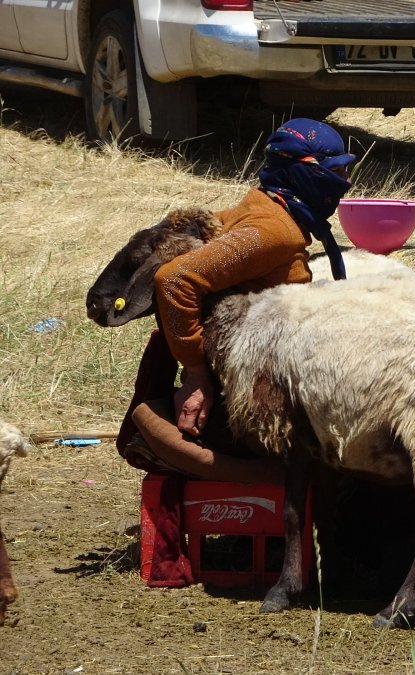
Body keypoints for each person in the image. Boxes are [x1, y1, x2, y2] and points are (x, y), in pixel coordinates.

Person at [121, 118, 356, 483]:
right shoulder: (274, 229)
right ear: (304, 174)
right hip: (249, 391)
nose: (346, 181)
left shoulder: (262, 207)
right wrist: (196, 377)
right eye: (336, 170)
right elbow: (175, 280)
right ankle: (269, 479)